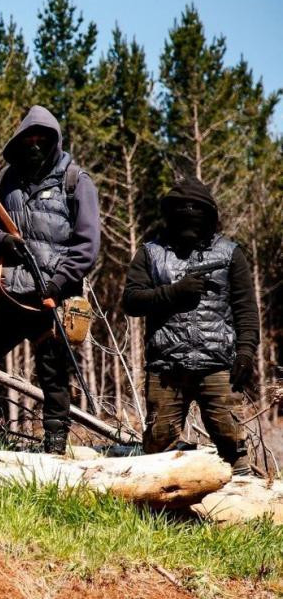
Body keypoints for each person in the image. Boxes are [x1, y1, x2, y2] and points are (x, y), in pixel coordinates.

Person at [0, 105, 100, 454]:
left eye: (42, 139)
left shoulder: (76, 181)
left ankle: (54, 444)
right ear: (20, 141)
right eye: (30, 138)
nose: (35, 144)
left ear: (54, 140)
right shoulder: (4, 181)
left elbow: (88, 245)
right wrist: (2, 240)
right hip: (8, 292)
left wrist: (59, 282)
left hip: (56, 295)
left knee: (53, 372)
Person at [122, 177, 258, 475]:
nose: (188, 212)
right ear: (168, 213)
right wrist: (173, 292)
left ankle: (241, 509)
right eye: (181, 208)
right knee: (157, 452)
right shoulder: (151, 253)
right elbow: (131, 301)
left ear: (209, 213)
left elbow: (246, 309)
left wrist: (246, 352)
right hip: (166, 369)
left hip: (218, 367)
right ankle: (162, 515)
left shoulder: (229, 253)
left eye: (196, 208)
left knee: (234, 448)